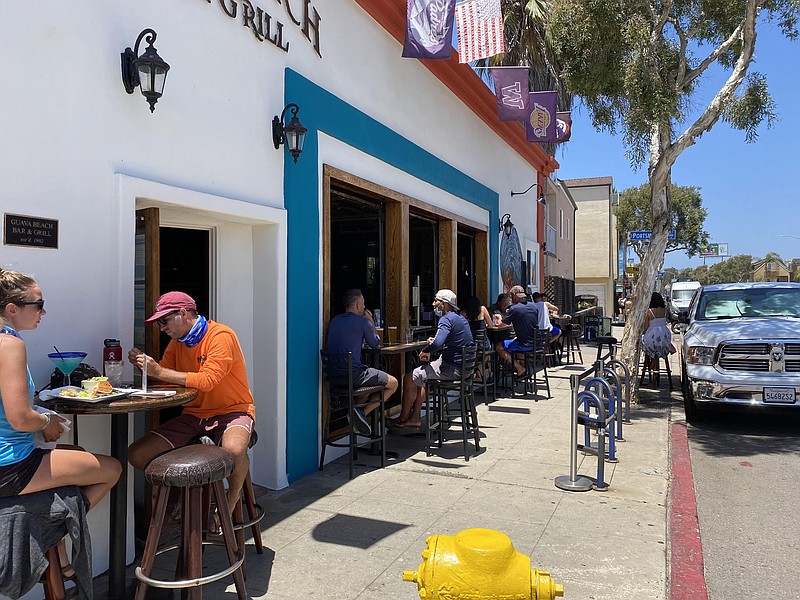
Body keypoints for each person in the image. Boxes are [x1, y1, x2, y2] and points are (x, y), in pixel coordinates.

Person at [0, 269, 121, 507]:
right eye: (39, 305)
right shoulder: (9, 345)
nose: (43, 312)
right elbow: (20, 419)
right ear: (12, 309)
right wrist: (47, 422)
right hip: (9, 464)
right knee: (112, 469)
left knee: (78, 451)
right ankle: (58, 526)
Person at [127, 291, 255, 517]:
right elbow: (166, 379)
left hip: (232, 410)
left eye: (164, 320)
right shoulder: (177, 343)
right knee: (137, 454)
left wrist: (158, 370)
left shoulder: (221, 335)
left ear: (183, 313)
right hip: (194, 414)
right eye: (159, 322)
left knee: (235, 451)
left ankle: (231, 501)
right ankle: (184, 494)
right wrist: (145, 367)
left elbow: (207, 381)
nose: (161, 327)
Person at [391, 290, 473, 429]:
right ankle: (414, 418)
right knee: (421, 374)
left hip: (450, 368)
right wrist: (433, 343)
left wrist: (426, 350)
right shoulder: (460, 319)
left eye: (436, 301)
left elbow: (438, 343)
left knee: (410, 377)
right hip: (463, 369)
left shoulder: (446, 319)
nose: (433, 304)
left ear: (444, 304)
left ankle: (403, 419)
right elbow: (448, 341)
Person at [325, 289, 399, 435]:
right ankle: (360, 413)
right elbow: (375, 344)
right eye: (363, 304)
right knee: (393, 383)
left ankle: (357, 414)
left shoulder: (334, 320)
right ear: (358, 305)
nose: (364, 307)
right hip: (353, 375)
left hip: (333, 377)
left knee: (366, 385)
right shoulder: (363, 322)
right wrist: (371, 322)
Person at [495, 285, 540, 376]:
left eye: (511, 296)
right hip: (536, 343)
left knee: (498, 347)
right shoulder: (534, 307)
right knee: (517, 344)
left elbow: (501, 325)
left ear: (514, 295)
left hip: (524, 344)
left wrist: (499, 318)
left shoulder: (514, 309)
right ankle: (523, 372)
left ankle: (519, 368)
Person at [642, 292, 672, 385]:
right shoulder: (665, 310)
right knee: (655, 345)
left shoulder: (649, 311)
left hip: (653, 338)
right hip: (665, 338)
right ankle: (653, 363)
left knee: (644, 342)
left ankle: (651, 363)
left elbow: (645, 328)